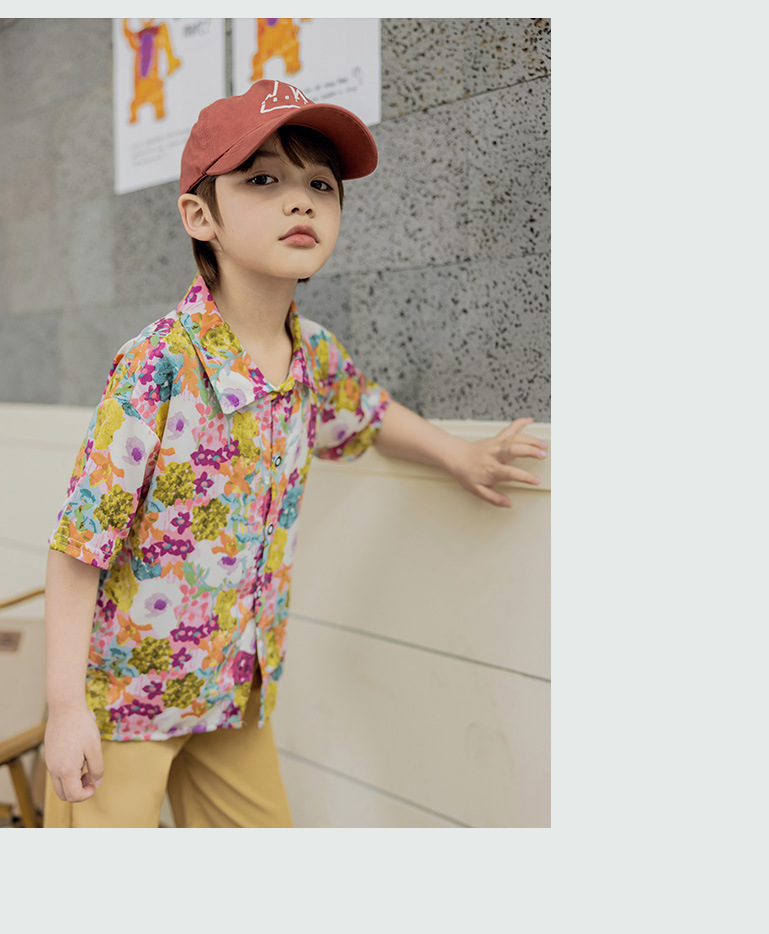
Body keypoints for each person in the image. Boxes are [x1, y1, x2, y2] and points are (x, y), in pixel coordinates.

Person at [43, 78, 548, 828]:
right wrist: (65, 710)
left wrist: (460, 457)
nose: (301, 202)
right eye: (263, 180)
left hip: (235, 689)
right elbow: (79, 546)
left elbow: (368, 412)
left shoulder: (312, 352)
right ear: (200, 216)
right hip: (125, 699)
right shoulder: (158, 364)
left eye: (320, 185)